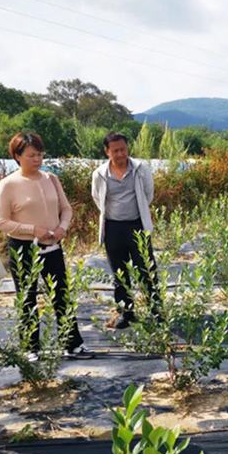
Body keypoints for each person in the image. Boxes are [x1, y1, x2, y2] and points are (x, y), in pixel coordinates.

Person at [0, 132, 91, 360]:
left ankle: (72, 344)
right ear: (17, 156)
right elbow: (0, 222)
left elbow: (66, 209)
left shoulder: (51, 179)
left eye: (39, 154)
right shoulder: (8, 184)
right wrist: (32, 229)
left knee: (61, 294)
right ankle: (30, 347)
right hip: (24, 248)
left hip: (53, 244)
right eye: (31, 155)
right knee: (27, 297)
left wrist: (62, 227)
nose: (37, 159)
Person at [91, 132, 160, 329]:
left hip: (137, 225)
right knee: (119, 274)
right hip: (113, 228)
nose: (120, 154)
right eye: (115, 151)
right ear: (107, 152)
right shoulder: (100, 174)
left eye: (123, 149)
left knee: (146, 270)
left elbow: (148, 194)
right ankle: (126, 313)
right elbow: (97, 197)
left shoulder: (140, 169)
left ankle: (156, 311)